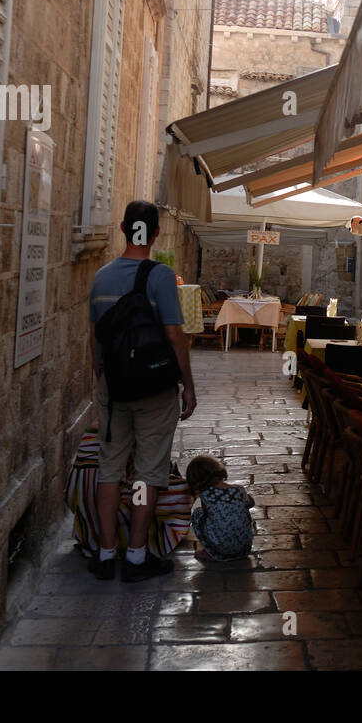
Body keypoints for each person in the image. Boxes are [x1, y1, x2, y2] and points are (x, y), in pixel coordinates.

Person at [88, 200, 197, 582]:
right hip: (153, 388)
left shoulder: (101, 278)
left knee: (108, 468)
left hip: (113, 387)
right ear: (154, 234)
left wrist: (100, 376)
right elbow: (174, 335)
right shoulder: (161, 277)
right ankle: (135, 556)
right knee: (147, 472)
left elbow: (96, 338)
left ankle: (104, 554)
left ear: (123, 228)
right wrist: (188, 385)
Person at [185, 455, 255, 562]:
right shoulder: (239, 489)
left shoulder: (206, 495)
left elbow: (208, 515)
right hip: (243, 548)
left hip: (222, 550)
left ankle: (211, 552)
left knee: (197, 514)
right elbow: (251, 503)